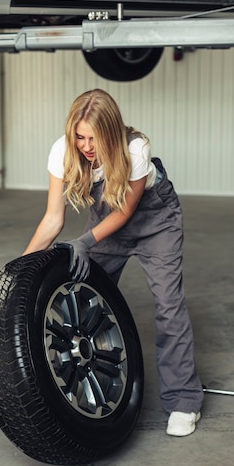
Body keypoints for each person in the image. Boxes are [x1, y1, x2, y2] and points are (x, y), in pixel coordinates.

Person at [23, 88, 204, 437]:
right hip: (108, 223)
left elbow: (125, 212)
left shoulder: (135, 150)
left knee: (169, 307)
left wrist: (86, 241)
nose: (86, 146)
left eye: (94, 137)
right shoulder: (62, 151)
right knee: (86, 300)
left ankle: (184, 400)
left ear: (111, 132)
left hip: (155, 222)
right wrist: (19, 270)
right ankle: (97, 387)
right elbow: (52, 219)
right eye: (79, 136)